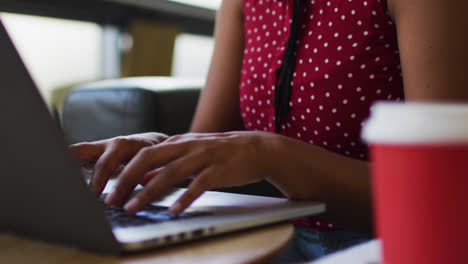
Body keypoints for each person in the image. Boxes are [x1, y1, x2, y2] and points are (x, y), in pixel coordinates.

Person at [71, 0, 468, 261]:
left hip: (383, 248)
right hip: (274, 240)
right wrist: (151, 150)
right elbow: (209, 138)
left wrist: (274, 154)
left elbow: (443, 203)